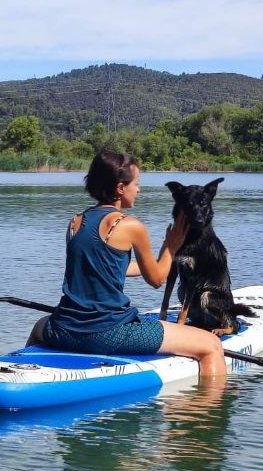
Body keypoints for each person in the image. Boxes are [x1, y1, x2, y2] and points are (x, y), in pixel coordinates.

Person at [27, 150, 226, 376]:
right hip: (109, 333)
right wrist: (171, 245)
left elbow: (106, 270)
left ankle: (27, 371)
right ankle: (208, 409)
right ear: (121, 188)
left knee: (38, 328)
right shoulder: (130, 226)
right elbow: (158, 279)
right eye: (136, 184)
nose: (138, 190)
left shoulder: (75, 222)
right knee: (211, 346)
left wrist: (151, 262)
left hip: (62, 328)